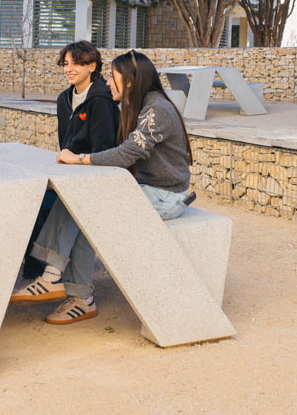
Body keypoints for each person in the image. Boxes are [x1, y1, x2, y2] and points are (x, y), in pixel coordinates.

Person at [12, 50, 193, 325]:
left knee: (88, 204)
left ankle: (60, 283)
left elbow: (126, 154)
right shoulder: (140, 105)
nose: (108, 82)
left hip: (166, 196)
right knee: (81, 200)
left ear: (130, 81)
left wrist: (80, 159)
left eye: (113, 76)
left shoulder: (157, 109)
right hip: (145, 187)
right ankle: (71, 291)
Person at [21, 41, 119, 279]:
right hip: (72, 172)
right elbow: (65, 144)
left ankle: (48, 272)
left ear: (92, 66)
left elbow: (103, 150)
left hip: (94, 174)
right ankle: (36, 272)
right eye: (66, 64)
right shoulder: (64, 98)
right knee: (33, 198)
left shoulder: (101, 98)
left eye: (77, 63)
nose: (69, 68)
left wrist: (76, 161)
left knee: (49, 204)